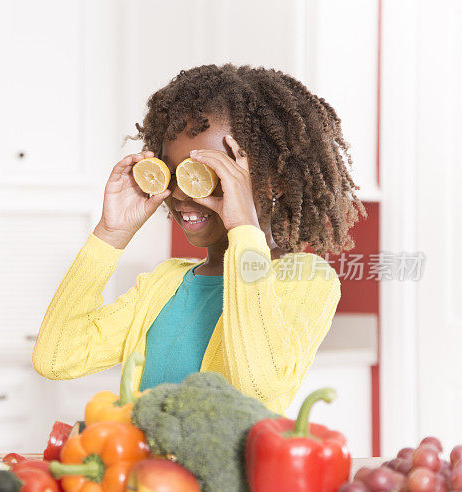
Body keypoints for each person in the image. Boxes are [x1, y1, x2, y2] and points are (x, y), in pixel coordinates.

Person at [32, 64, 364, 413]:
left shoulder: (305, 277)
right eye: (173, 173)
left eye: (209, 173)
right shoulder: (165, 284)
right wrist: (109, 235)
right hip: (148, 469)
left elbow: (258, 382)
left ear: (275, 183)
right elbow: (56, 358)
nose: (181, 193)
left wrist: (243, 229)